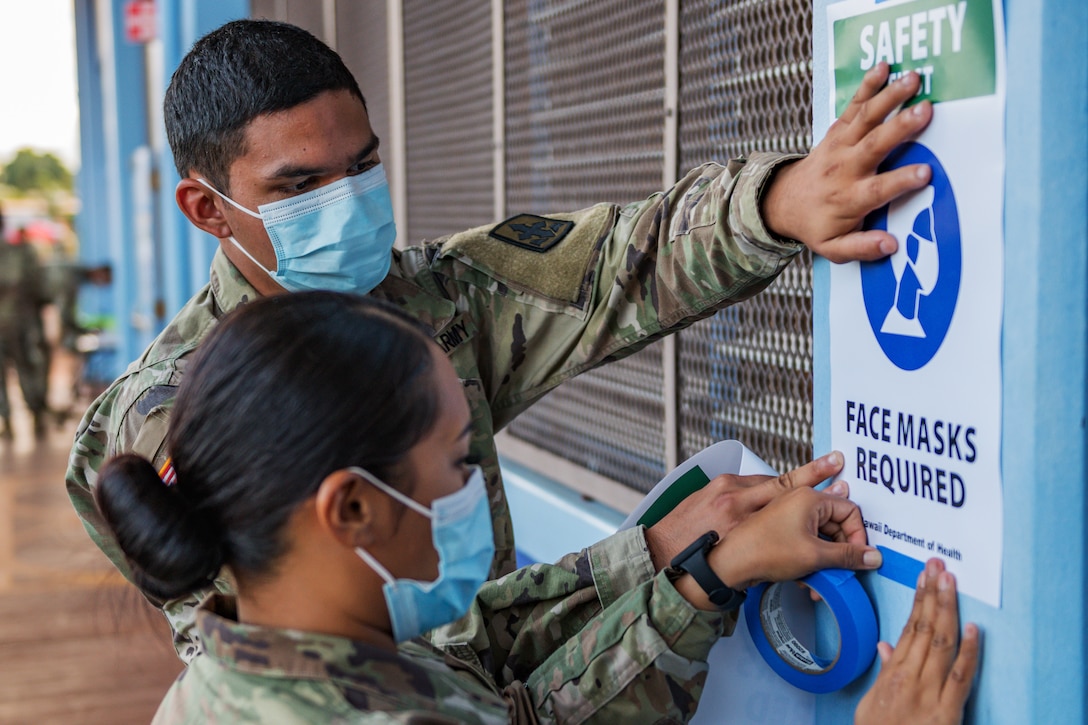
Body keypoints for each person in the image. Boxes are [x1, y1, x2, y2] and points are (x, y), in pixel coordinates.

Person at [66, 18, 936, 661]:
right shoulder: (177, 415)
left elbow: (613, 266)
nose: (348, 200)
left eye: (361, 166)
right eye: (299, 186)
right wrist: (674, 560)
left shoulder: (432, 295)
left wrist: (780, 203)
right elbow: (393, 676)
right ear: (207, 208)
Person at [93, 293, 977, 723]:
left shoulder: (243, 665)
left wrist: (701, 572)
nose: (473, 482)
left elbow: (508, 701)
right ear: (353, 509)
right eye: (454, 458)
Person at [0, 218, 50, 440]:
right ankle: (30, 414)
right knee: (27, 368)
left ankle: (22, 417)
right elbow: (39, 289)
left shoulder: (21, 252)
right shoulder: (23, 253)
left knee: (26, 368)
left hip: (21, 323)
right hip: (21, 321)